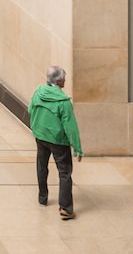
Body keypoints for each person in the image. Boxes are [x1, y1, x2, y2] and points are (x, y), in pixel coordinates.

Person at [29, 65, 84, 220]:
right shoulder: (63, 101)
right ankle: (65, 208)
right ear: (59, 81)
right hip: (58, 141)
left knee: (42, 165)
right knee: (65, 172)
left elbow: (30, 110)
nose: (65, 81)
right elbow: (70, 126)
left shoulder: (38, 92)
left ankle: (42, 197)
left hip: (40, 136)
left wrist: (36, 127)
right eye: (64, 79)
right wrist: (77, 148)